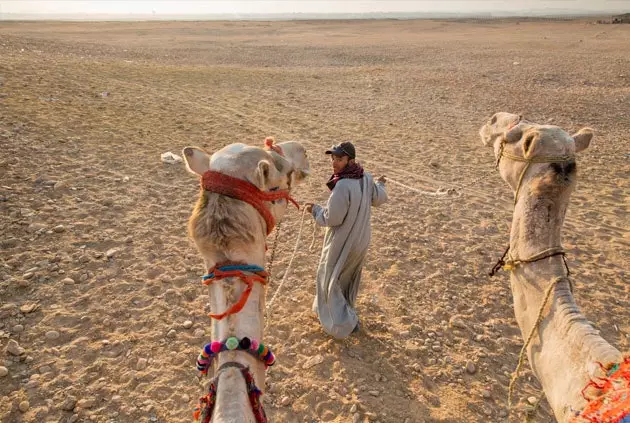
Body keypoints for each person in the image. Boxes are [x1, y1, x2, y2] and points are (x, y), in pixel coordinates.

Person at [304, 142, 388, 339]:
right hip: (361, 240)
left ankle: (343, 324)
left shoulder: (342, 185)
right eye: (333, 158)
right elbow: (379, 198)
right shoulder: (366, 177)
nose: (334, 162)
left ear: (350, 160)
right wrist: (381, 183)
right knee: (345, 278)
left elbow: (332, 218)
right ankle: (341, 313)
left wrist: (314, 210)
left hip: (344, 242)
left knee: (329, 278)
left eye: (339, 158)